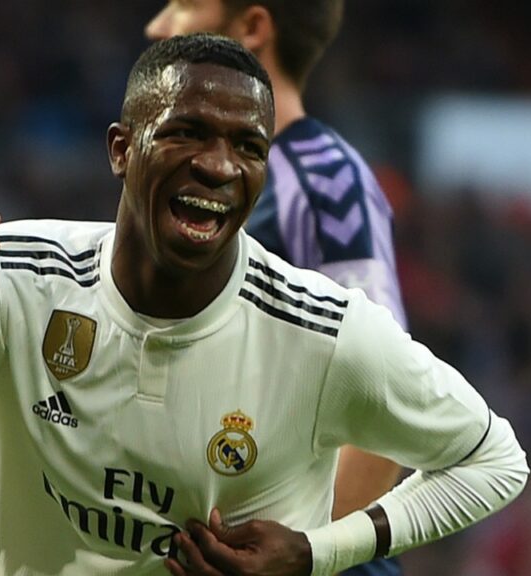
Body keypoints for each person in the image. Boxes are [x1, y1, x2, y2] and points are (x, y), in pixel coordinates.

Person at [0, 34, 528, 575]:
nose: (220, 164)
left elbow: (495, 461)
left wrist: (320, 552)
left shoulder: (318, 332)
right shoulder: (12, 283)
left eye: (248, 146)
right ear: (122, 148)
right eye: (187, 131)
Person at [146, 4, 407, 574]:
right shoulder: (193, 185)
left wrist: (306, 558)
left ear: (253, 28)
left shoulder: (323, 179)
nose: (159, 25)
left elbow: (385, 405)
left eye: (186, 4)